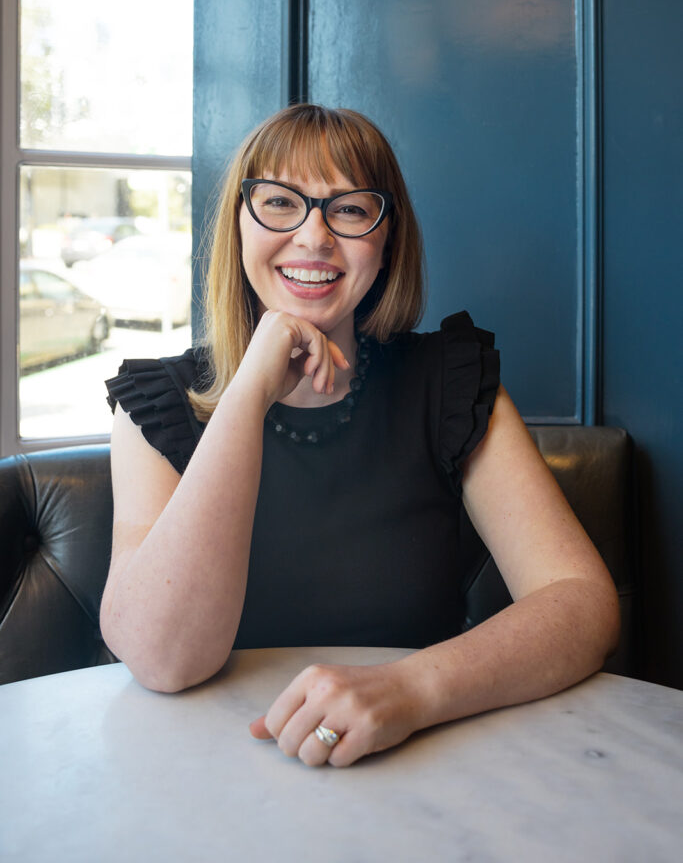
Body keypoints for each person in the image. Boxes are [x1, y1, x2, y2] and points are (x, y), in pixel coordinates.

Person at [101, 103, 620, 768]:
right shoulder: (156, 403)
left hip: (416, 766)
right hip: (198, 776)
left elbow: (580, 604)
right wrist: (250, 388)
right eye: (281, 202)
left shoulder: (447, 383)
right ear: (238, 223)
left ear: (386, 240)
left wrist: (412, 688)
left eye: (348, 210)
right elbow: (160, 658)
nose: (314, 238)